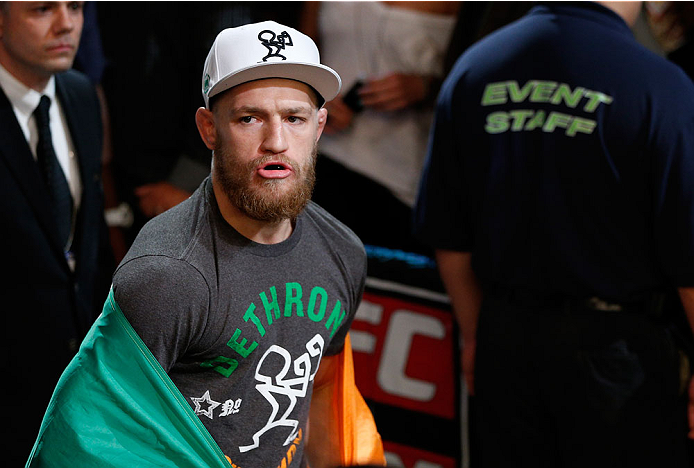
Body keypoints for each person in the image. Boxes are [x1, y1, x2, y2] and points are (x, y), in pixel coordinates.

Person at [26, 20, 384, 468]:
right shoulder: (167, 274)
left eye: (294, 118)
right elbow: (86, 446)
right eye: (249, 118)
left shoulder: (342, 251)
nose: (276, 142)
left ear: (319, 126)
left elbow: (327, 395)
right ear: (209, 128)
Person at [414, 1, 694, 467]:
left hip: (506, 341)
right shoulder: (660, 85)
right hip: (617, 358)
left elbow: (450, 235)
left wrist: (474, 335)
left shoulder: (476, 67)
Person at [0, 1, 113, 464]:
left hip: (78, 391)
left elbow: (88, 246)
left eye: (76, 6)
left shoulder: (82, 95)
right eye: (42, 8)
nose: (67, 23)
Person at [300, 1, 459, 255]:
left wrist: (427, 88)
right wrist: (310, 98)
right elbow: (298, 59)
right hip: (315, 162)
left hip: (399, 178)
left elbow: (484, 77)